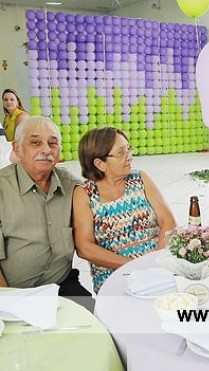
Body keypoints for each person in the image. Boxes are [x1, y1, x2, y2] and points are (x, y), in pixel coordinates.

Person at [0, 116, 93, 305]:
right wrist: (9, 300)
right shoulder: (2, 188)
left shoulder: (72, 187)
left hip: (60, 284)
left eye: (53, 143)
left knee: (93, 319)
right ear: (17, 148)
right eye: (35, 143)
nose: (46, 150)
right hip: (12, 291)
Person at [73, 127, 176, 293]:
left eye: (128, 149)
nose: (129, 156)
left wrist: (156, 263)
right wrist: (135, 266)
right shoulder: (84, 194)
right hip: (113, 275)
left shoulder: (140, 179)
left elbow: (168, 221)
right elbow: (84, 247)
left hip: (156, 266)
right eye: (121, 153)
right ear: (100, 164)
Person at [2, 88, 30, 163]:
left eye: (12, 99)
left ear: (17, 102)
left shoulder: (22, 116)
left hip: (20, 154)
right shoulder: (7, 118)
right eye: (5, 100)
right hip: (9, 152)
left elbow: (21, 140)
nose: (8, 102)